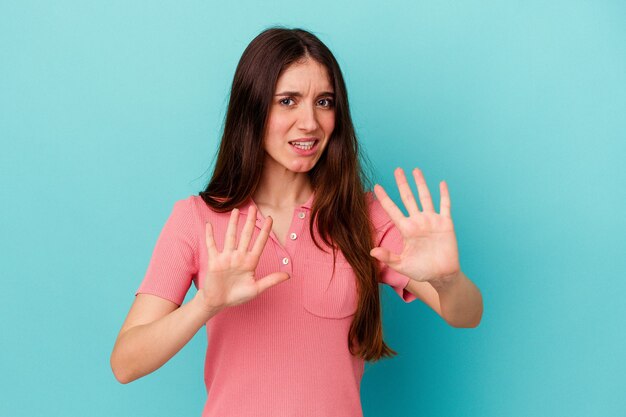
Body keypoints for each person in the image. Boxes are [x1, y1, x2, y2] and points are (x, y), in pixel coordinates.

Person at [110, 27, 483, 417]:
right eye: (288, 101)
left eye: (324, 102)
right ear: (252, 109)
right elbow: (126, 363)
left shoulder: (362, 216)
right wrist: (204, 305)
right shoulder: (196, 218)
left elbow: (466, 314)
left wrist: (448, 279)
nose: (310, 122)